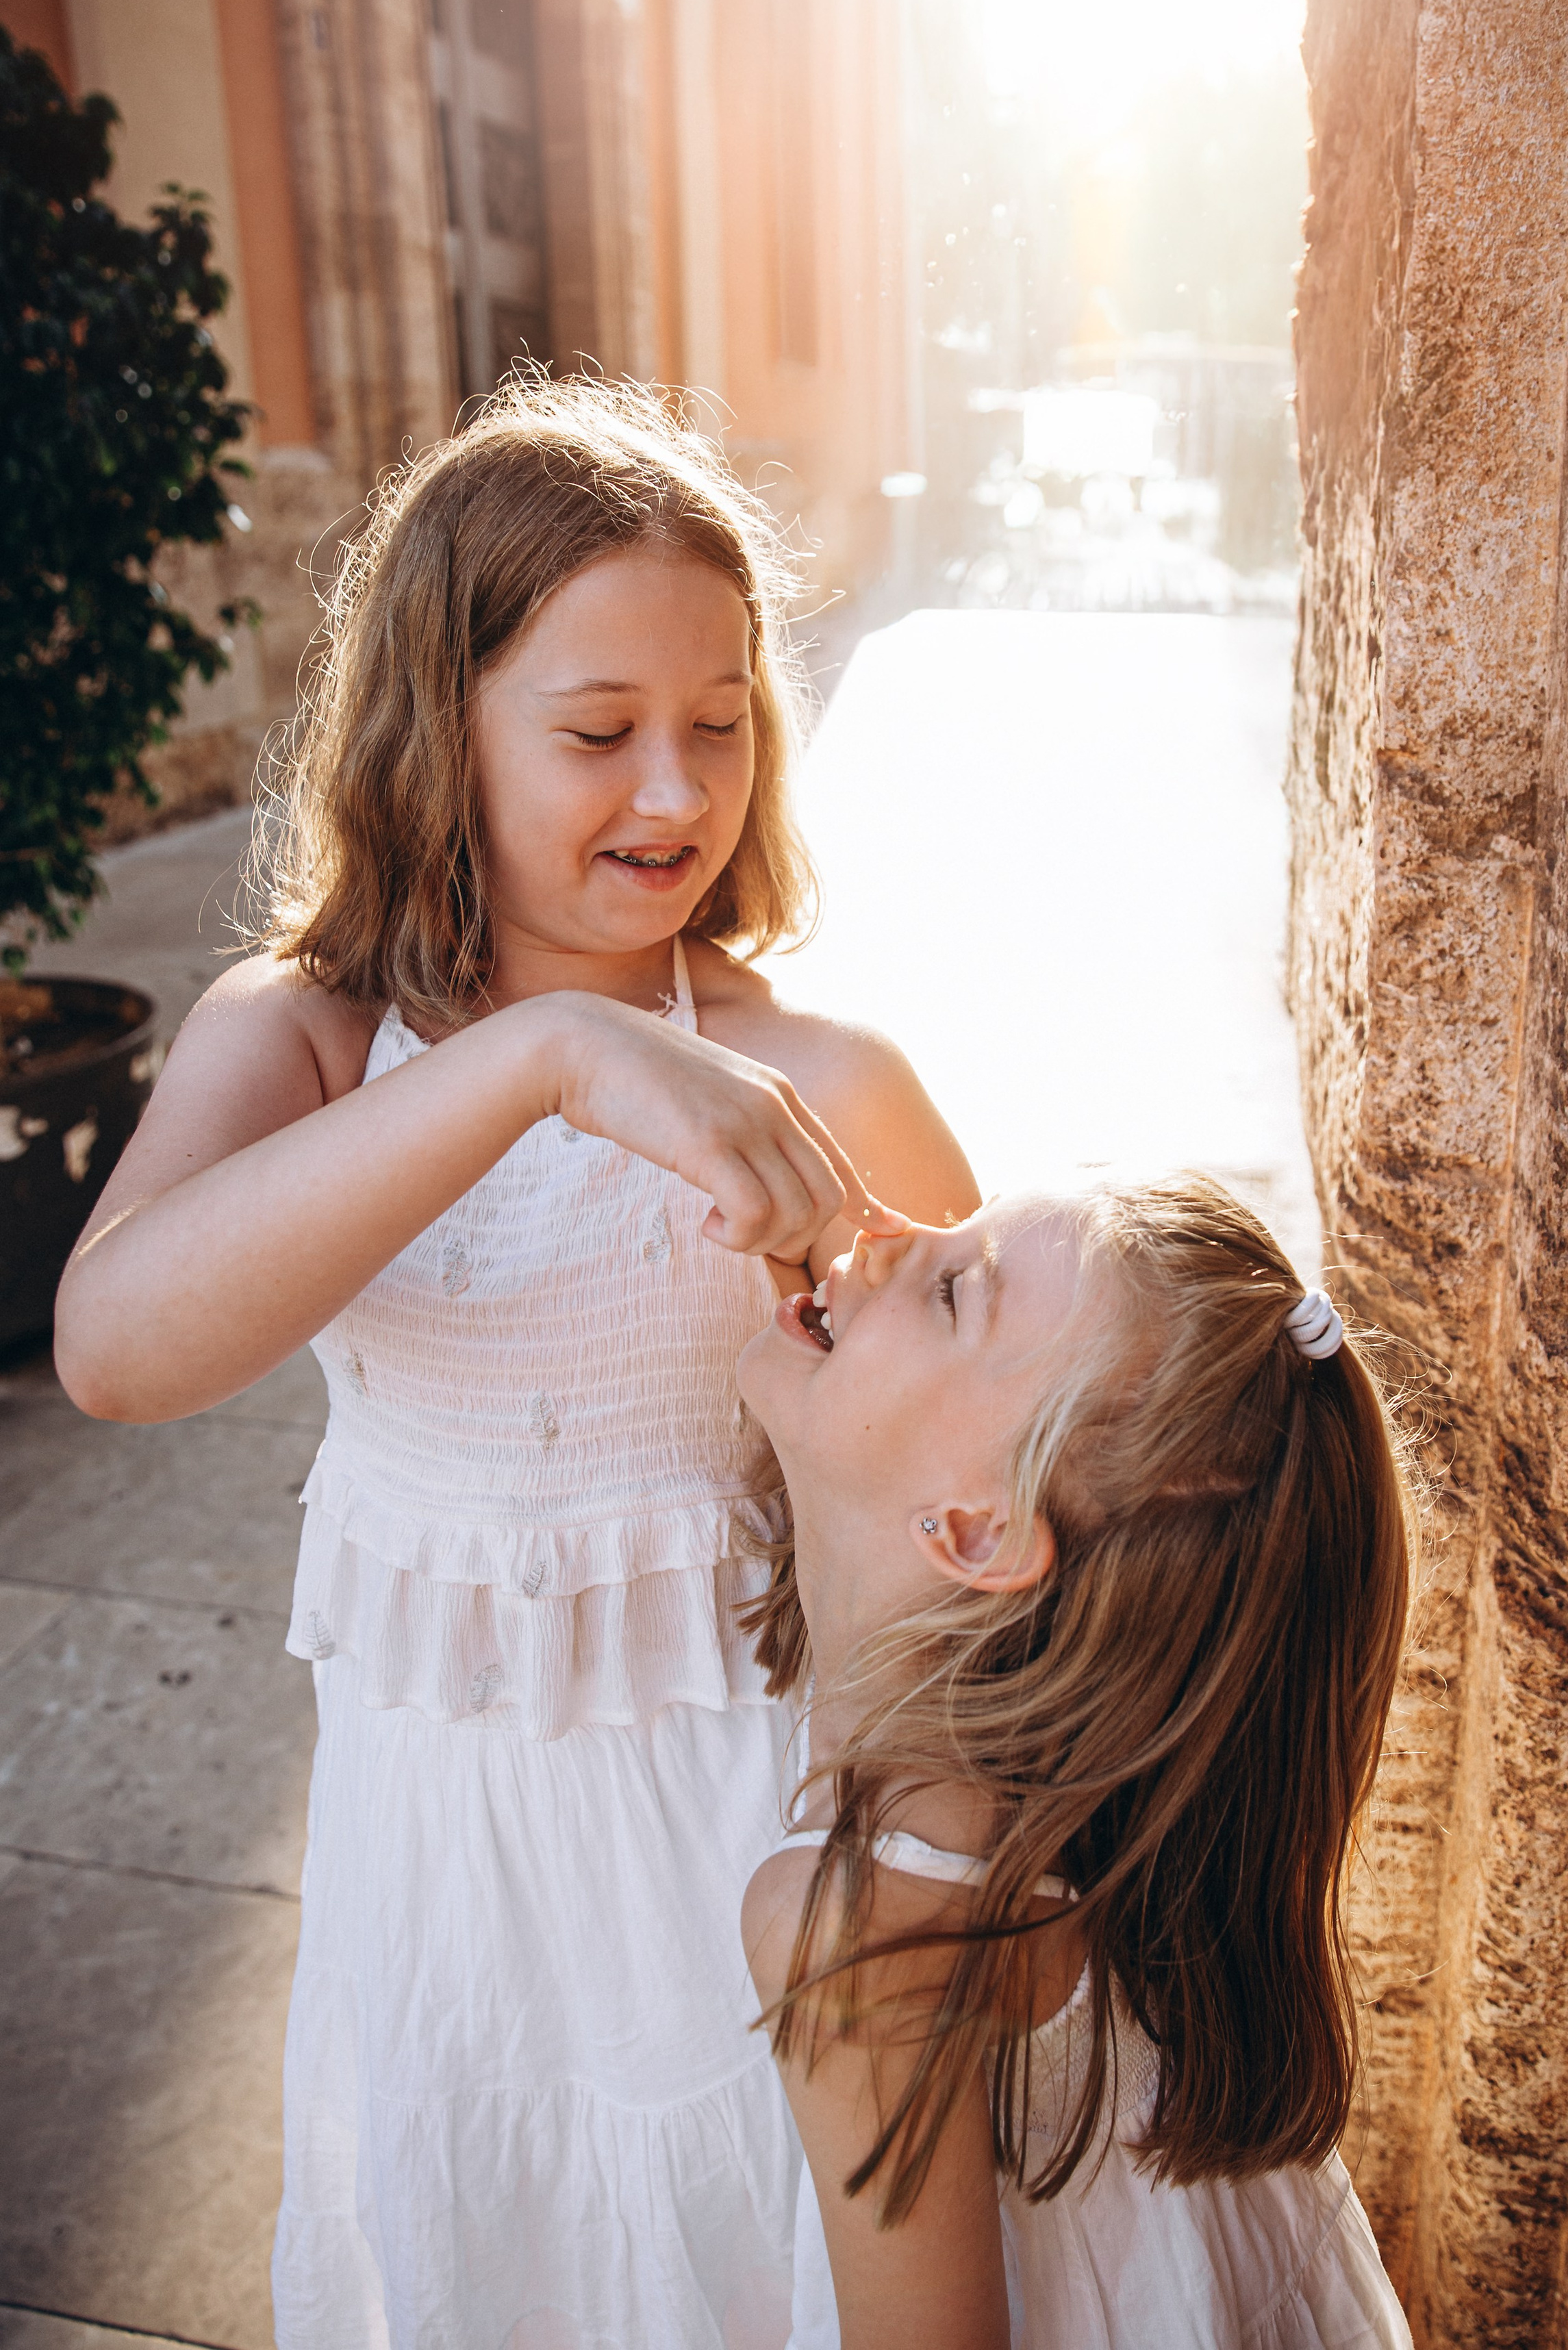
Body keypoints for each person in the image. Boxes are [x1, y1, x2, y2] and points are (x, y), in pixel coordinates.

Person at [55, 378, 979, 2350]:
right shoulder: (302, 1037)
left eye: (720, 723)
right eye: (597, 733)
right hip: (453, 1861)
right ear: (434, 725)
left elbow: (998, 1480)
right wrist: (544, 1057)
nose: (675, 791)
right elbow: (117, 1346)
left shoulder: (824, 1081)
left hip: (749, 1848)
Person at [736, 1177, 1419, 2350]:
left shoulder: (857, 1929)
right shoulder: (1092, 1759)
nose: (890, 1221)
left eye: (955, 1288)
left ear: (977, 1532)